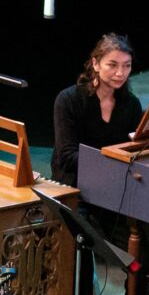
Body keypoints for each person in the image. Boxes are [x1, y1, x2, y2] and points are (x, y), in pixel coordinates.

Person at [49, 33, 142, 188]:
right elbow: (67, 157)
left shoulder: (131, 104)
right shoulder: (68, 99)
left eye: (127, 65)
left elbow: (133, 150)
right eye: (112, 65)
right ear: (96, 64)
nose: (121, 73)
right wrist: (114, 162)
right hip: (73, 186)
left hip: (113, 182)